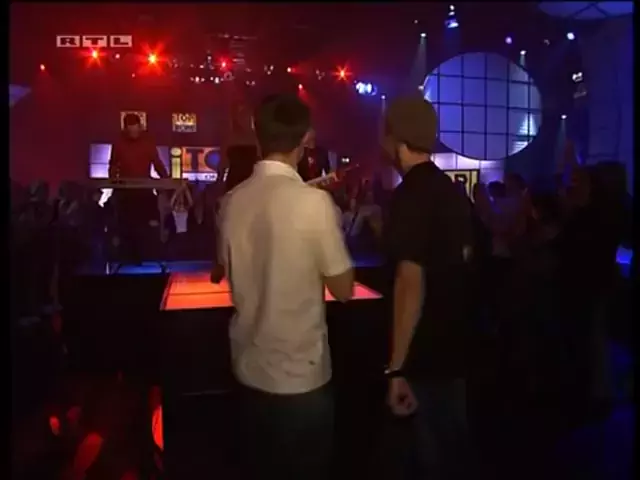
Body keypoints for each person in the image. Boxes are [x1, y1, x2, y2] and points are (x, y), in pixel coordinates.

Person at [217, 93, 354, 479]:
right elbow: (344, 288)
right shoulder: (313, 203)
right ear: (305, 138)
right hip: (300, 378)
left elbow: (225, 269)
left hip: (247, 371)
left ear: (257, 134)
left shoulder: (232, 201)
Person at [381, 95, 475, 479]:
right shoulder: (451, 190)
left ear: (396, 139)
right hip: (454, 343)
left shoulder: (409, 195)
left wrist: (396, 368)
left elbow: (410, 283)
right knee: (452, 451)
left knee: (426, 458)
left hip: (423, 353)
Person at [108, 113, 169, 264]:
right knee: (125, 224)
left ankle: (148, 255)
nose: (134, 132)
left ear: (140, 128)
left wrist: (166, 180)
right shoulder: (119, 143)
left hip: (144, 191)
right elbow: (113, 165)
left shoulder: (148, 143)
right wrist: (113, 182)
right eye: (130, 129)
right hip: (126, 192)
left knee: (147, 223)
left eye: (136, 129)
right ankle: (127, 256)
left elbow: (158, 164)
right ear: (125, 129)